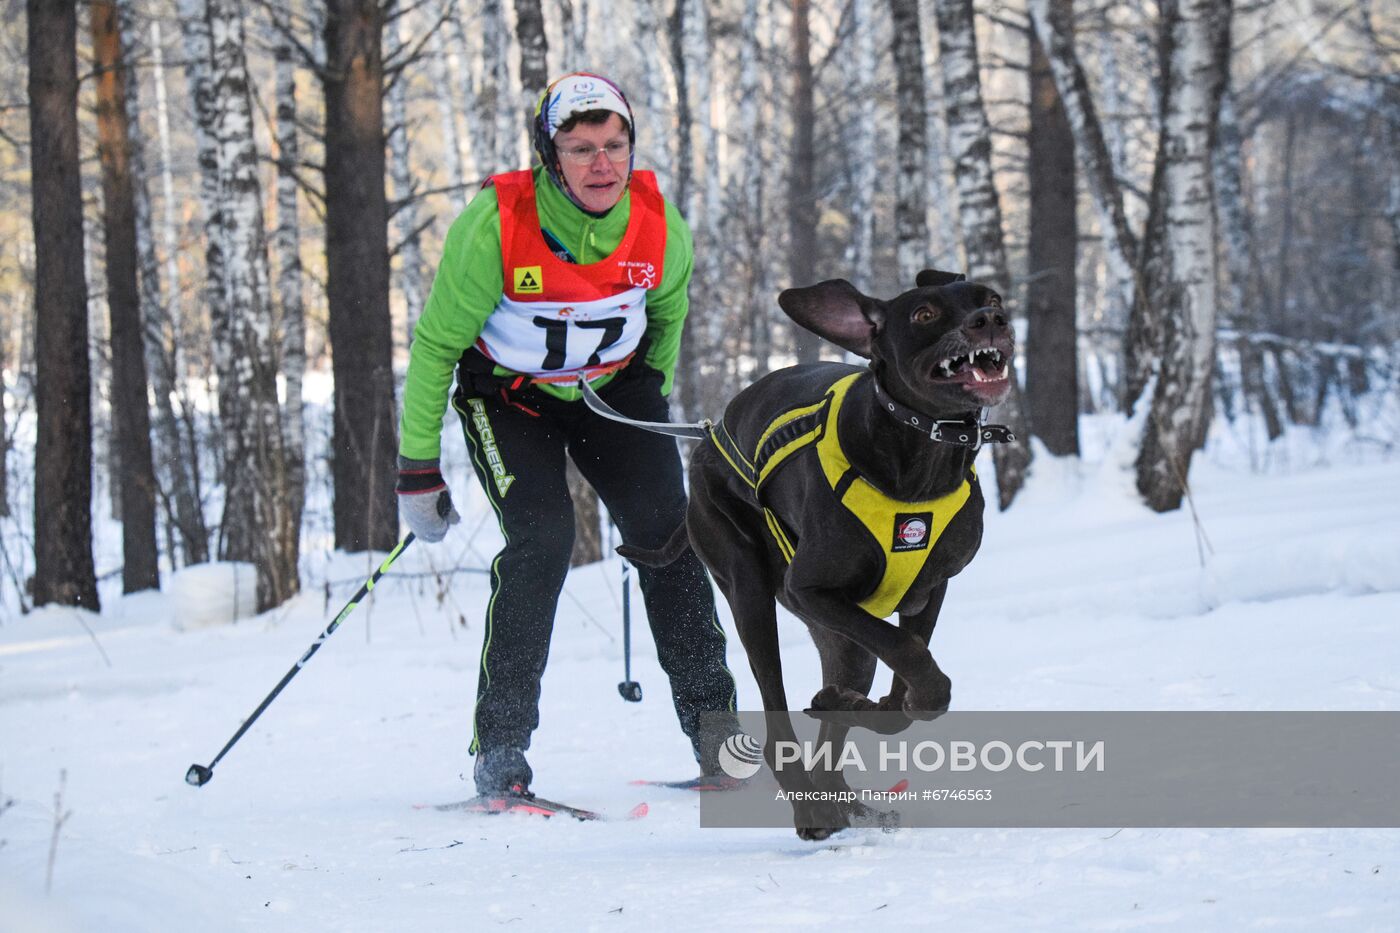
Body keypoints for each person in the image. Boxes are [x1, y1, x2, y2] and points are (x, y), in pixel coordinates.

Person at [396, 72, 739, 802]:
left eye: (614, 145)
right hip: (510, 399)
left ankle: (722, 745)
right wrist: (417, 470)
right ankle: (502, 751)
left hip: (612, 391)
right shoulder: (494, 225)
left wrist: (648, 400)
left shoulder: (658, 221)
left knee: (668, 532)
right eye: (580, 148)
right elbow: (433, 348)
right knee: (543, 537)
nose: (601, 164)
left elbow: (667, 316)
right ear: (549, 155)